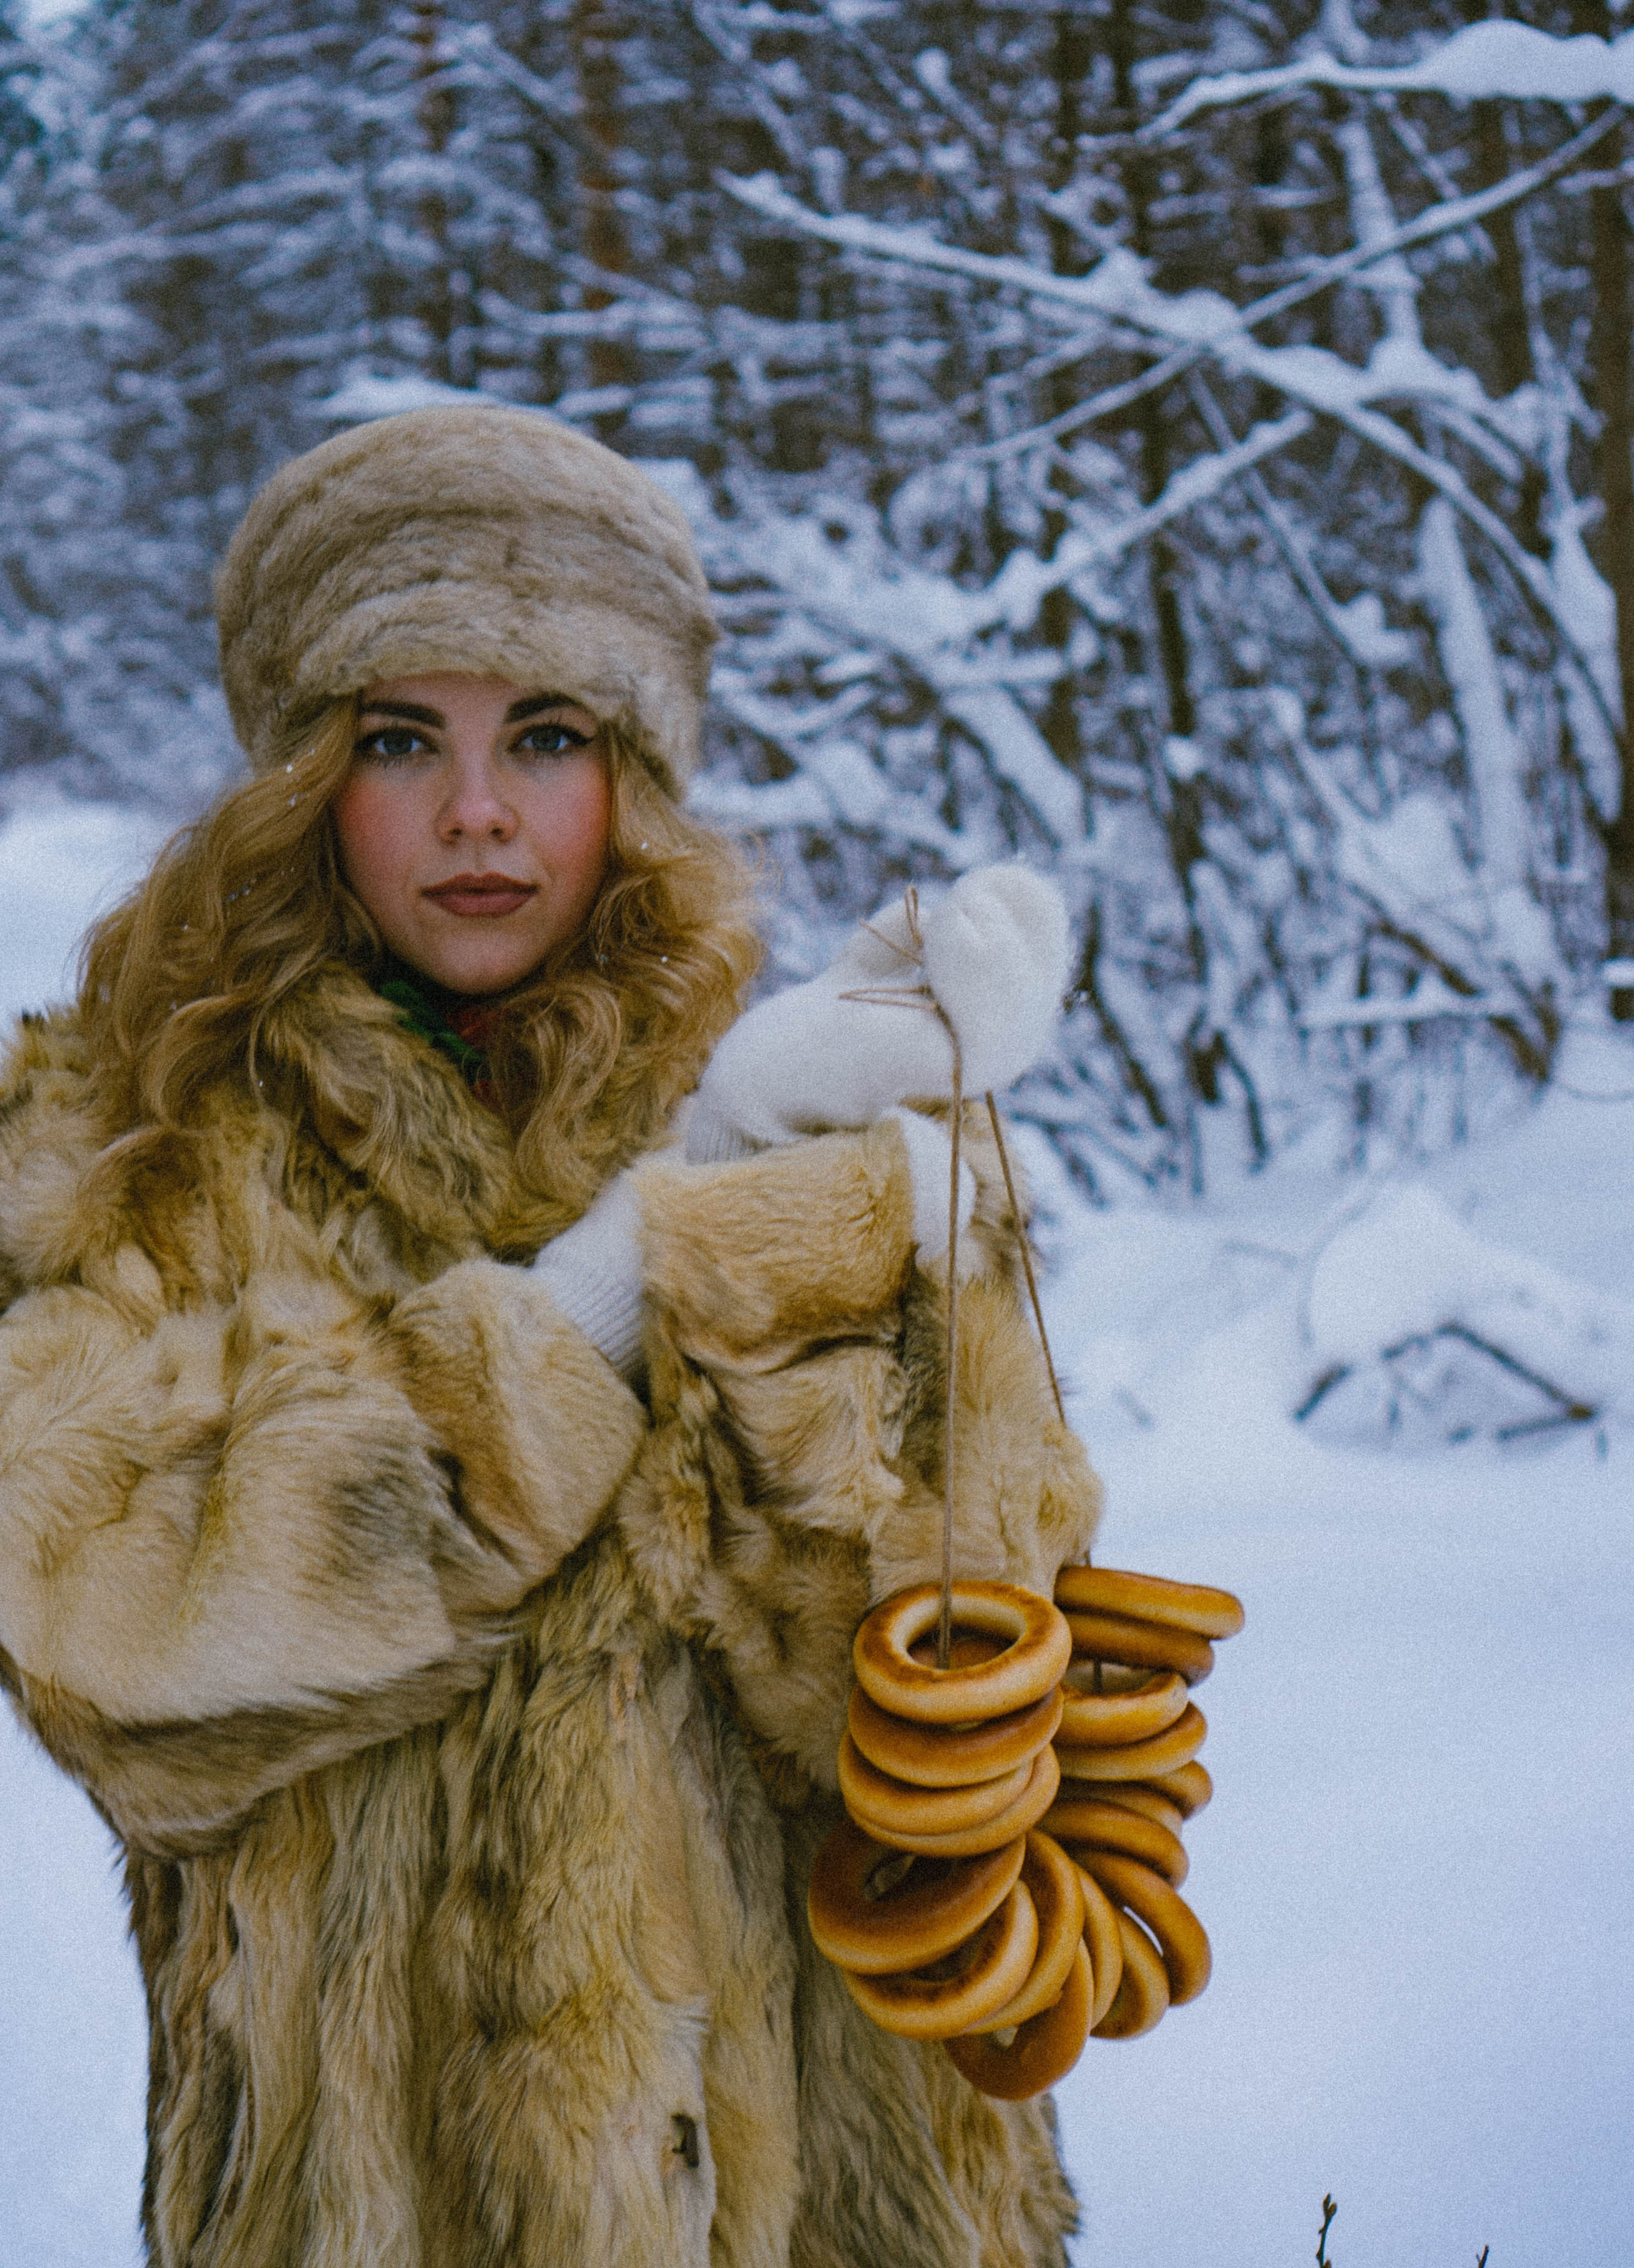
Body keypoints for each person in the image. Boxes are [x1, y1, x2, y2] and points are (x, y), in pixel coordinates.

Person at [0, 407, 1102, 2268]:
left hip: (820, 2208)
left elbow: (948, 1739)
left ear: (639, 772)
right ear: (303, 777)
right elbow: (113, 1633)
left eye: (551, 737)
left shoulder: (797, 1108)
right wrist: (617, 1280)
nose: (480, 814)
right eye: (401, 740)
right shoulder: (135, 1140)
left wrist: (836, 1239)